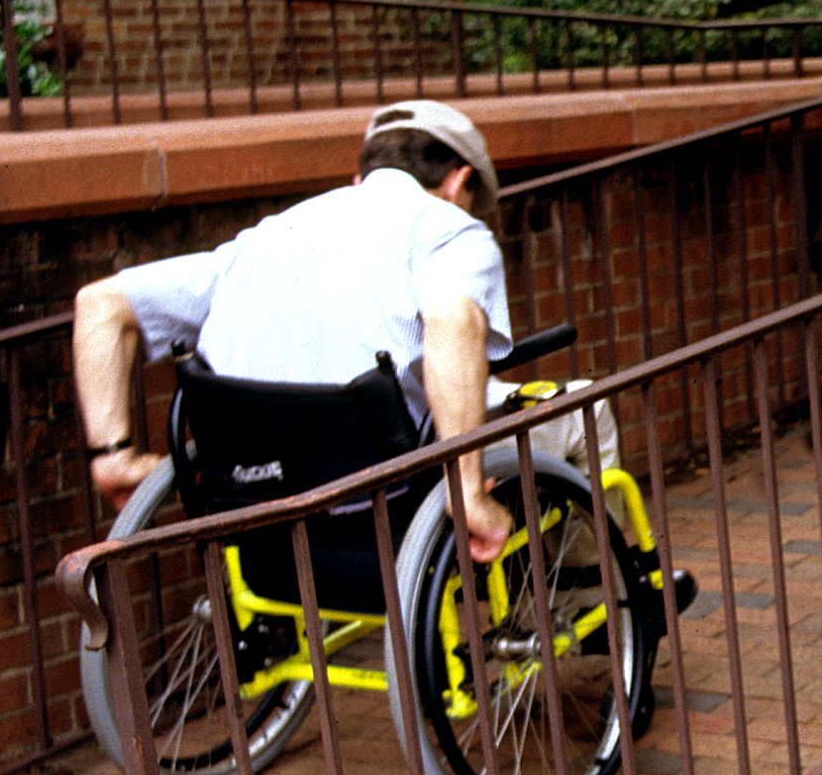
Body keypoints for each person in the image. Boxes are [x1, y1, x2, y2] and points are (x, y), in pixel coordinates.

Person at [72, 98, 525, 562]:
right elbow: (451, 321)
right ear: (458, 181)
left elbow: (101, 304)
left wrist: (115, 456)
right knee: (573, 421)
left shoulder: (265, 238)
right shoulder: (449, 229)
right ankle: (581, 592)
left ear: (361, 179)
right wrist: (466, 489)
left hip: (256, 496)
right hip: (384, 489)